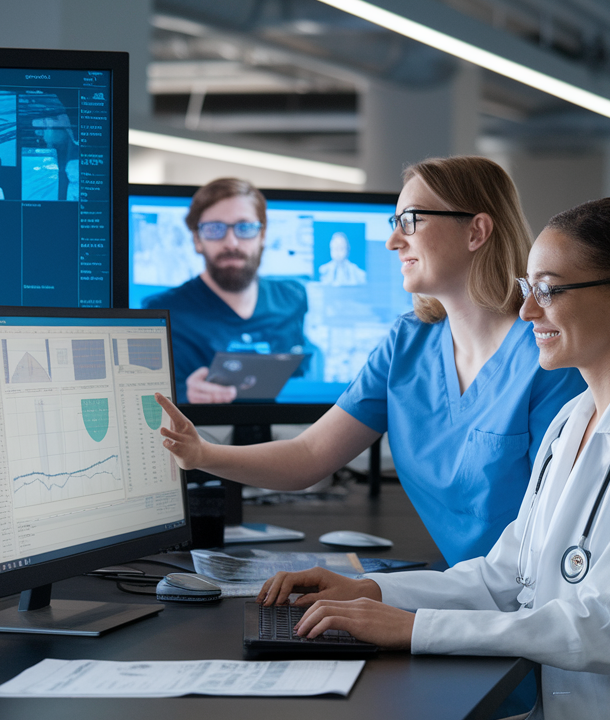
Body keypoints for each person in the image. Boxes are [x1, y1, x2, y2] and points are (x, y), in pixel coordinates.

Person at [245, 198, 610, 720]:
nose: (525, 311)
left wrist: (411, 629)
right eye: (527, 286)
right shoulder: (574, 419)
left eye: (548, 290)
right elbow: (504, 576)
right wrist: (373, 592)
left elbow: (606, 628)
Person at [153, 157, 585, 567]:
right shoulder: (408, 342)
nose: (393, 240)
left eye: (410, 221)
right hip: (464, 593)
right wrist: (201, 454)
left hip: (521, 604)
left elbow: (556, 535)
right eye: (394, 224)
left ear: (476, 232)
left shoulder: (549, 355)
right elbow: (309, 456)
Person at [142, 178, 309, 404]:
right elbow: (145, 400)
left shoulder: (292, 298)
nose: (232, 243)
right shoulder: (162, 312)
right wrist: (183, 395)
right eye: (214, 229)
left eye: (245, 228)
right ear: (196, 239)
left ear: (263, 235)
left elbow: (303, 374)